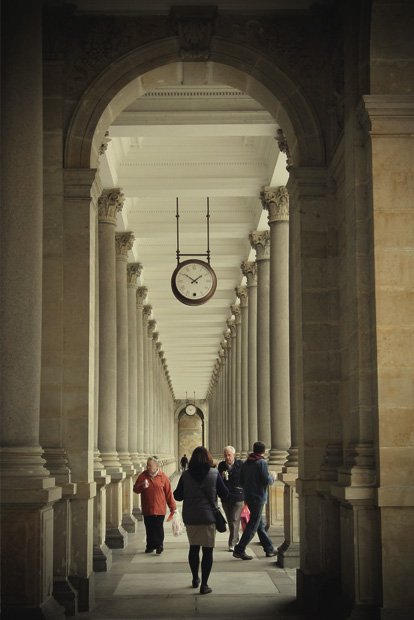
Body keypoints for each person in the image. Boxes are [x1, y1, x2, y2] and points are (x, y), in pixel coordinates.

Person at [173, 446, 229, 595]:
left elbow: (177, 496)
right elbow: (225, 494)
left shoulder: (186, 475)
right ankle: (204, 584)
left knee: (193, 548)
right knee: (208, 550)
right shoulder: (214, 474)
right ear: (209, 458)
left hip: (191, 517)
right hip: (208, 517)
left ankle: (194, 578)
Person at [232, 441, 277, 560]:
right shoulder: (261, 462)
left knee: (259, 525)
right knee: (253, 525)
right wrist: (273, 477)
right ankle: (239, 549)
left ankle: (269, 549)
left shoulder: (246, 463)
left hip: (249, 497)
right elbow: (265, 481)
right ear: (263, 451)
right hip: (258, 497)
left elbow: (241, 482)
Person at [133, 456, 176, 555]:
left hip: (159, 508)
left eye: (150, 465)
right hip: (147, 508)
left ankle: (159, 545)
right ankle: (150, 546)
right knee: (149, 528)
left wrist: (173, 507)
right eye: (147, 465)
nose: (148, 467)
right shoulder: (143, 476)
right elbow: (135, 489)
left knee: (158, 527)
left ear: (157, 466)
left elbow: (168, 493)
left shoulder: (163, 477)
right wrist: (142, 485)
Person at [217, 445, 244, 552]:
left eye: (229, 455)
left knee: (234, 519)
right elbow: (218, 481)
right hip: (226, 497)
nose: (227, 457)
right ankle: (236, 538)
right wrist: (222, 476)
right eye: (225, 455)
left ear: (234, 455)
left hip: (238, 496)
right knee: (230, 521)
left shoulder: (240, 465)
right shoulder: (221, 465)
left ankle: (232, 543)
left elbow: (245, 480)